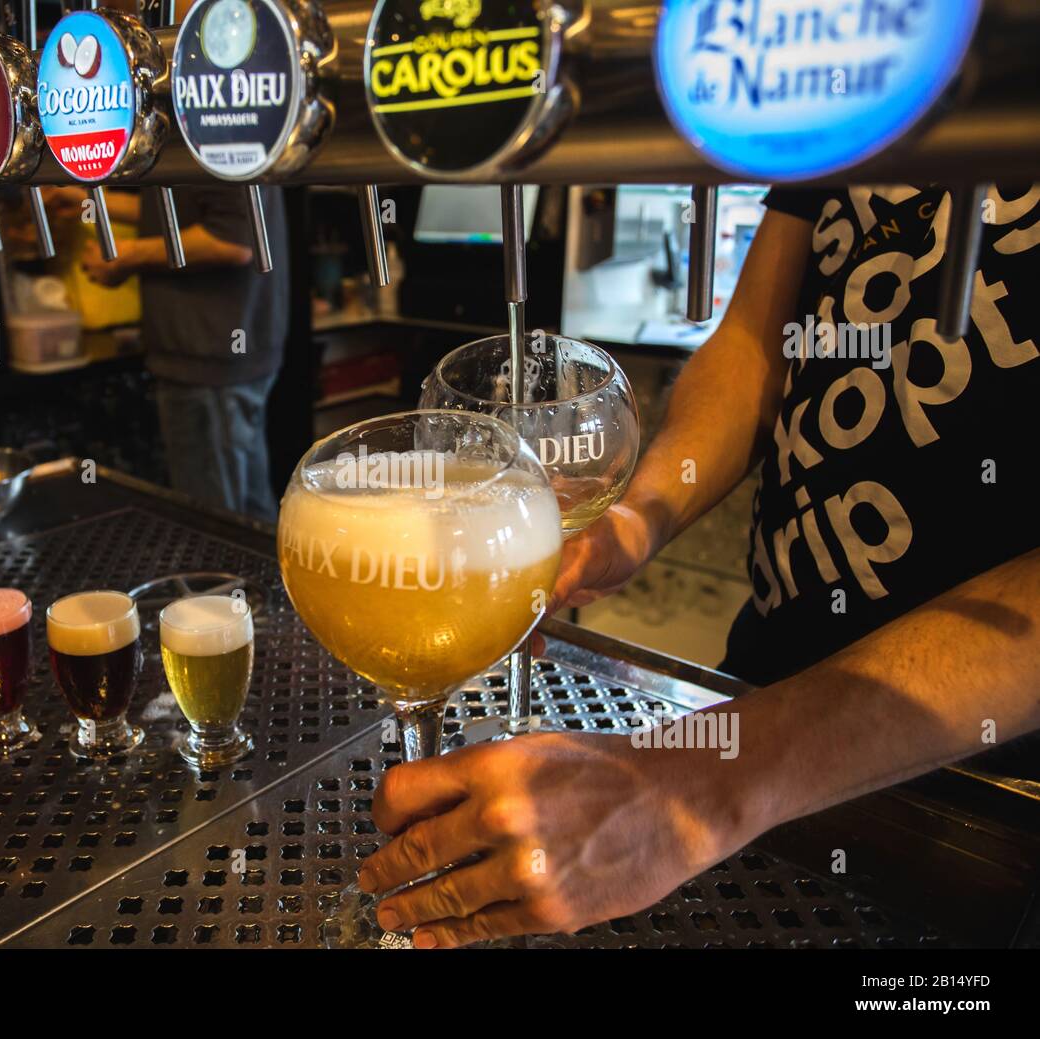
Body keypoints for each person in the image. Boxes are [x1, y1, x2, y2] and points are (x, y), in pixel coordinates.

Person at [357, 183, 1040, 948]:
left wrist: (701, 785)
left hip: (996, 787)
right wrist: (632, 523)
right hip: (760, 684)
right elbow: (755, 346)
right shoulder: (865, 98)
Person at [46, 184, 289, 522]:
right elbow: (176, 210)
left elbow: (233, 241)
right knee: (245, 508)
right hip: (212, 353)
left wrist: (127, 255)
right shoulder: (194, 141)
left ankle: (231, 576)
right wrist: (91, 201)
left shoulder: (214, 131)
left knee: (218, 520)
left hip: (211, 355)